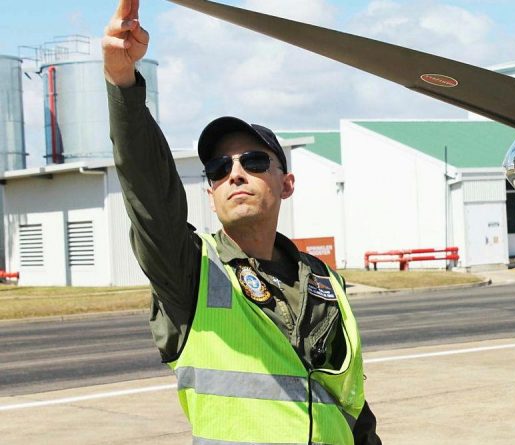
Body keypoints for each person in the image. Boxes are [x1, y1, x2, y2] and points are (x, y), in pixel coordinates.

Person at [102, 1, 381, 444]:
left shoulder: (325, 281)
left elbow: (351, 404)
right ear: (211, 194)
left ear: (286, 184)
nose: (234, 173)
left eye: (253, 161)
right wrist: (123, 84)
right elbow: (150, 195)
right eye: (218, 169)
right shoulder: (191, 272)